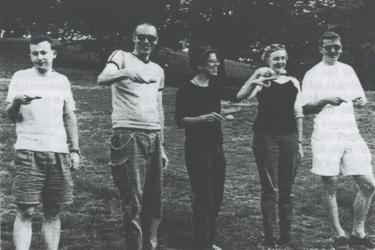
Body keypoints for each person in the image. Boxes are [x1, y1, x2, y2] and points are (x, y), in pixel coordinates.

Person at [97, 22, 168, 250]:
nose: (146, 42)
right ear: (134, 37)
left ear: (156, 41)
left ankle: (150, 246)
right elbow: (102, 78)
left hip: (153, 137)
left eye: (151, 38)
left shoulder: (158, 70)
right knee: (133, 201)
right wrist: (125, 73)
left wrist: (163, 146)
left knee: (154, 201)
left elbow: (159, 108)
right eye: (142, 37)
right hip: (128, 135)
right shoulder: (121, 56)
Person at [301, 31, 375, 249]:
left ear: (341, 47)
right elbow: (305, 108)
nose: (333, 51)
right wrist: (324, 100)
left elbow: (360, 97)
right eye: (328, 47)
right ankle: (339, 234)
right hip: (326, 133)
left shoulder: (348, 70)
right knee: (330, 183)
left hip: (350, 133)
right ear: (320, 49)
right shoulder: (312, 74)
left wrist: (361, 101)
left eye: (337, 47)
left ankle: (358, 232)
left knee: (369, 185)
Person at [6, 35, 80, 250]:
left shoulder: (62, 80)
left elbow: (69, 116)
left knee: (53, 210)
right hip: (28, 150)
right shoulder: (20, 77)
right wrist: (18, 102)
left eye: (44, 52)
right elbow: (10, 116)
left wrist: (74, 149)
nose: (39, 57)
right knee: (25, 210)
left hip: (58, 151)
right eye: (35, 53)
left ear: (53, 54)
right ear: (30, 55)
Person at [236, 44, 304, 248]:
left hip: (289, 138)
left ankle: (286, 237)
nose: (280, 62)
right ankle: (270, 239)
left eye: (283, 58)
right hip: (265, 138)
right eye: (276, 59)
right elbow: (241, 96)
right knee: (270, 190)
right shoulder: (262, 81)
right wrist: (256, 77)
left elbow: (298, 112)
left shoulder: (293, 82)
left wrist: (300, 142)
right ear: (267, 61)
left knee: (287, 191)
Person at [175, 46, 240, 250]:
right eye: (212, 61)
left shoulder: (215, 86)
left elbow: (238, 96)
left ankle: (209, 240)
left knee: (217, 195)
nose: (217, 64)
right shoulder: (186, 90)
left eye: (217, 61)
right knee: (203, 196)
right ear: (200, 65)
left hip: (216, 148)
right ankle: (203, 243)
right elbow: (180, 121)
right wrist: (203, 118)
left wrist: (256, 79)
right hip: (196, 149)